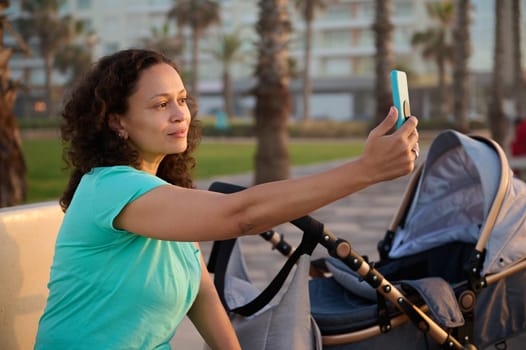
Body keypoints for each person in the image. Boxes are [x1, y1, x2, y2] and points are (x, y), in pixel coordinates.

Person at [34, 48, 419, 350]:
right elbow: (242, 215)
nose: (179, 114)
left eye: (181, 100)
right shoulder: (111, 188)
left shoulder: (163, 196)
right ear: (117, 121)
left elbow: (201, 293)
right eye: (160, 104)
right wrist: (366, 170)